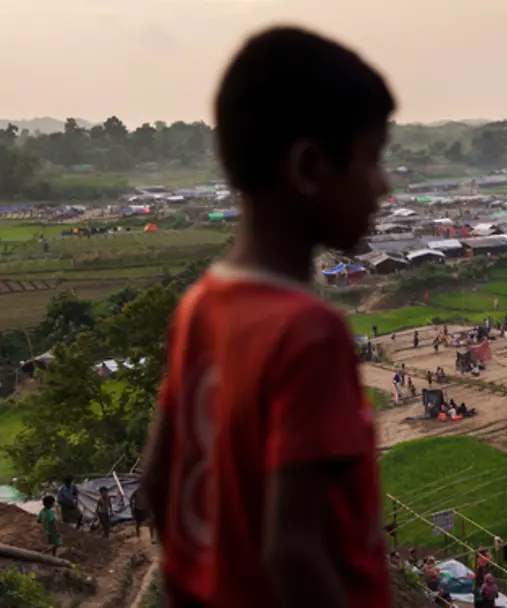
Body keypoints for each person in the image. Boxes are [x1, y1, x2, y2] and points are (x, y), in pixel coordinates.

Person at [139, 27, 394, 608]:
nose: (384, 186)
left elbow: (158, 481)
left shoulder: (201, 305)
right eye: (372, 159)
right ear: (309, 168)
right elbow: (293, 553)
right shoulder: (309, 333)